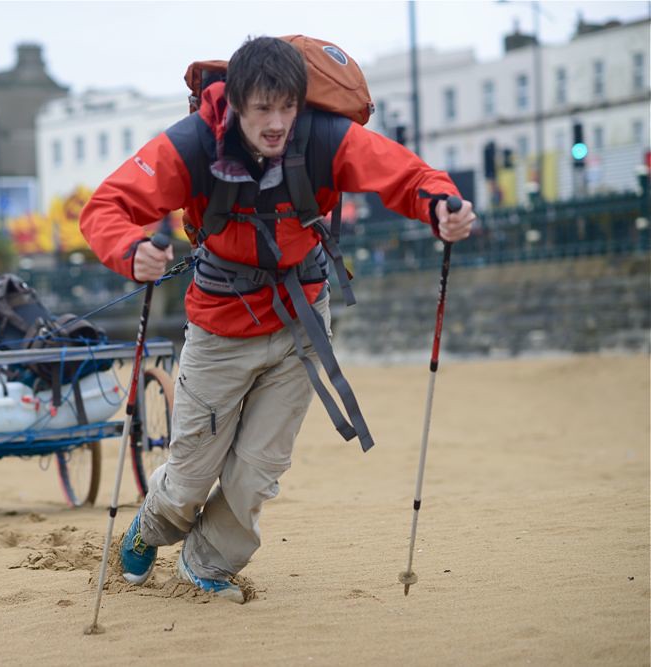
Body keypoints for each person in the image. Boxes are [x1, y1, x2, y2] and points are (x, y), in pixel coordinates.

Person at [79, 36, 475, 602]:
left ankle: (206, 566)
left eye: (288, 106)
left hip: (300, 323)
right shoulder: (192, 144)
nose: (277, 122)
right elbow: (106, 208)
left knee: (257, 470)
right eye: (263, 108)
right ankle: (152, 525)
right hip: (219, 328)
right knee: (189, 477)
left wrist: (441, 206)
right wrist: (131, 250)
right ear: (234, 102)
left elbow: (407, 176)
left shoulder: (325, 137)